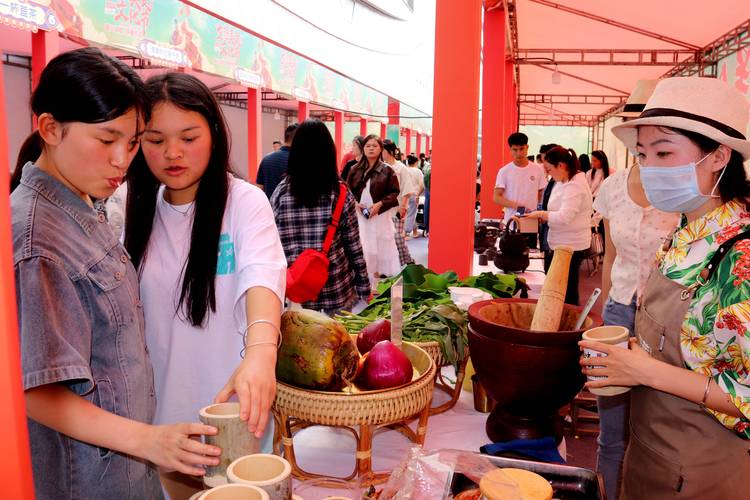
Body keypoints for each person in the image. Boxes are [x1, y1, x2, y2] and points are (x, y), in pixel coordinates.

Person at [13, 47, 220, 500]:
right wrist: (148, 441)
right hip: (88, 479)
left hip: (124, 471)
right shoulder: (38, 240)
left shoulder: (82, 205)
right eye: (107, 141)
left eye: (131, 143)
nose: (122, 161)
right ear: (49, 129)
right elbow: (39, 392)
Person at [581, 77, 750, 499]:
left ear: (719, 156)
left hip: (701, 472)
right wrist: (628, 358)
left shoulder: (739, 257)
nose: (649, 168)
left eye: (664, 152)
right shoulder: (684, 231)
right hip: (652, 456)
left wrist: (644, 370)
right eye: (642, 154)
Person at [125, 73, 287, 498]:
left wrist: (261, 353)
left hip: (232, 412)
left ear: (214, 134)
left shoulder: (244, 202)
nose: (172, 153)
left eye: (188, 137)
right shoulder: (127, 210)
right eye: (155, 140)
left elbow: (262, 274)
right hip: (161, 422)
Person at [592, 138, 679, 499]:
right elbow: (611, 258)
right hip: (619, 309)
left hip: (667, 321)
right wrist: (603, 317)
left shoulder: (682, 189)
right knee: (611, 430)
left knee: (661, 428)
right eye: (642, 146)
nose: (647, 154)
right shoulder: (613, 186)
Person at [271, 119, 370, 315]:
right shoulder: (340, 193)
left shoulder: (281, 193)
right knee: (337, 342)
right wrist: (364, 286)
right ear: (328, 152)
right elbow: (354, 246)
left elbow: (271, 244)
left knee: (301, 342)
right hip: (336, 287)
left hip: (297, 290)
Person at [524, 146, 592, 305]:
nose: (548, 174)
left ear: (561, 165)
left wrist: (542, 215)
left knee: (566, 290)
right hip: (561, 242)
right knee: (560, 288)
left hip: (570, 245)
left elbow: (565, 216)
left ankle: (568, 324)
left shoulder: (575, 185)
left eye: (549, 169)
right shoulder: (565, 180)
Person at [346, 135, 401, 287]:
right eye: (368, 146)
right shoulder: (354, 169)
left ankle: (375, 281)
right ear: (363, 148)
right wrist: (355, 204)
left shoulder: (387, 170)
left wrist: (380, 204)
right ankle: (361, 282)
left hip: (380, 215)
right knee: (362, 246)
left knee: (379, 247)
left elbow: (394, 192)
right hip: (359, 216)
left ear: (381, 149)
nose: (371, 148)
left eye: (374, 146)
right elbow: (347, 190)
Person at [494, 132, 546, 248]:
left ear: (527, 147)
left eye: (522, 149)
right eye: (515, 149)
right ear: (510, 150)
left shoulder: (538, 170)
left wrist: (542, 213)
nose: (519, 153)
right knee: (511, 260)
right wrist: (516, 206)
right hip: (511, 223)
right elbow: (496, 197)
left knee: (530, 259)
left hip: (531, 223)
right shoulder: (504, 171)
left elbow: (541, 194)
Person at [382, 140, 415, 266]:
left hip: (397, 209)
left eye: (383, 151)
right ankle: (390, 266)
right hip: (383, 209)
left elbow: (407, 189)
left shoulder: (401, 168)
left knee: (398, 238)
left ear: (390, 151)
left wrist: (403, 207)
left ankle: (407, 262)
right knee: (386, 238)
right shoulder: (382, 167)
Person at [255, 123, 298, 198]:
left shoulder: (266, 159)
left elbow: (259, 189)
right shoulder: (301, 162)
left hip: (269, 207)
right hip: (290, 208)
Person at [537, 143, 559, 272]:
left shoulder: (565, 182)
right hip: (548, 229)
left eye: (546, 160)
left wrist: (543, 215)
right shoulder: (552, 180)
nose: (544, 164)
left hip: (557, 234)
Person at [405, 154, 425, 238]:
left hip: (405, 194)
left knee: (407, 213)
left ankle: (415, 231)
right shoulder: (417, 171)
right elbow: (422, 185)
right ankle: (406, 232)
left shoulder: (405, 170)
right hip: (414, 194)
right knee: (411, 214)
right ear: (416, 162)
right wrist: (418, 195)